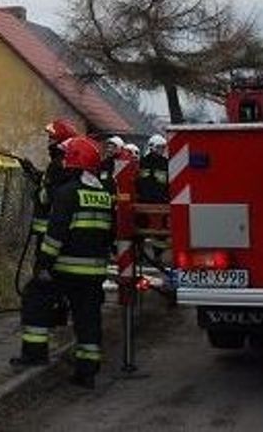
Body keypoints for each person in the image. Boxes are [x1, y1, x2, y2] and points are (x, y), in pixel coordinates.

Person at [12, 135, 114, 389]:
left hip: (66, 268)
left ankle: (34, 354)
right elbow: (111, 234)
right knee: (88, 319)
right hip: (94, 272)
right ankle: (87, 371)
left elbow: (56, 233)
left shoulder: (68, 194)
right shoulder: (104, 195)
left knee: (35, 297)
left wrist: (44, 264)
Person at [22, 118, 79, 243]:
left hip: (50, 225)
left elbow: (47, 194)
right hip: (56, 225)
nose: (48, 142)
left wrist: (36, 194)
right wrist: (32, 171)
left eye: (51, 138)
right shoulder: (65, 162)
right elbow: (49, 181)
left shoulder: (58, 164)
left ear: (60, 141)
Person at [136, 134, 169, 203]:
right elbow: (140, 181)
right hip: (144, 199)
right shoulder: (143, 162)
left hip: (162, 199)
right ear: (152, 147)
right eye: (160, 147)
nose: (162, 150)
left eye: (163, 147)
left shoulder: (166, 163)